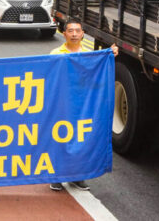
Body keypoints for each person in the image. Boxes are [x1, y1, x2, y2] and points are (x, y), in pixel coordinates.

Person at [49, 18, 118, 192]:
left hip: (83, 106)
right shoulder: (55, 53)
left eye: (77, 31)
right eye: (70, 31)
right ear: (64, 34)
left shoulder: (90, 56)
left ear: (82, 34)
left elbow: (96, 76)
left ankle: (78, 177)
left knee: (81, 140)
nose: (73, 34)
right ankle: (57, 176)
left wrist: (109, 55)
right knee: (60, 140)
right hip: (62, 105)